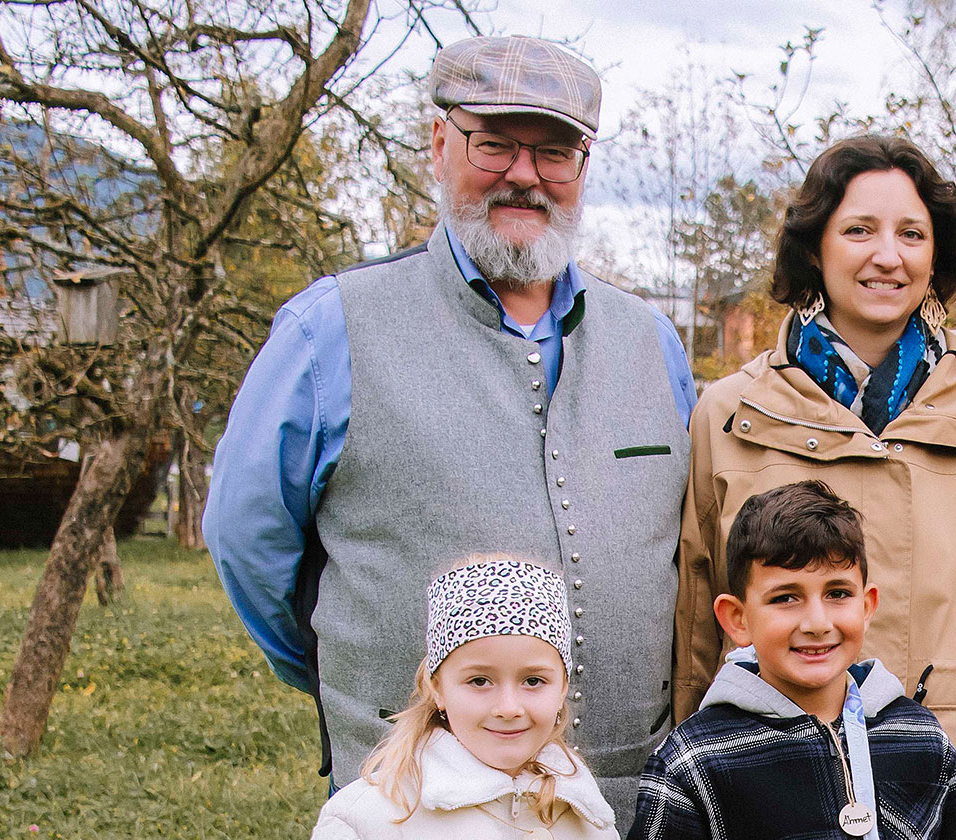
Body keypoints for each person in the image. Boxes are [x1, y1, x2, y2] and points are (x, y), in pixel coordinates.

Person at [203, 36, 694, 828]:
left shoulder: (653, 342)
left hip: (626, 803)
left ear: (583, 166)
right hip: (413, 806)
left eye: (554, 152)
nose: (524, 175)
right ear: (439, 144)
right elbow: (247, 545)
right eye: (494, 144)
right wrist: (349, 678)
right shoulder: (330, 329)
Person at [675, 135, 956, 838]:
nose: (888, 256)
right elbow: (699, 646)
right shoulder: (729, 415)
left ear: (936, 257)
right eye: (859, 230)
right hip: (775, 803)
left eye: (912, 234)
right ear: (814, 248)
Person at [635, 482, 956, 840]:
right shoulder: (692, 761)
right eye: (786, 598)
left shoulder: (921, 737)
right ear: (738, 619)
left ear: (866, 607)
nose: (817, 623)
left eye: (838, 593)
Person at [312, 556, 619, 839]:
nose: (508, 708)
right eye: (479, 681)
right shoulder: (366, 820)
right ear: (437, 688)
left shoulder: (588, 814)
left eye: (533, 681)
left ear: (563, 687)